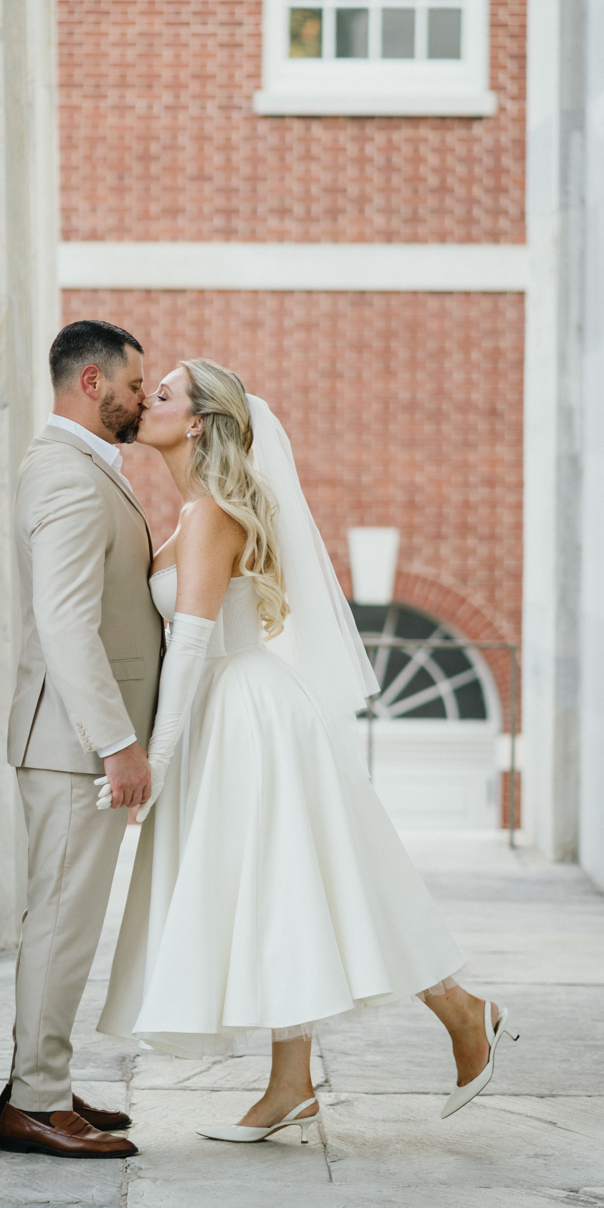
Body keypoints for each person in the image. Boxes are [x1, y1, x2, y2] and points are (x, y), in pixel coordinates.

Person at [98, 359, 520, 1141]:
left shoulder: (214, 513)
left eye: (160, 394)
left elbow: (191, 644)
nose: (143, 401)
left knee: (306, 884)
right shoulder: (197, 511)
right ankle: (293, 1085)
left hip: (243, 713)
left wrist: (151, 762)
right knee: (284, 890)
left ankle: (464, 1011)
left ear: (196, 423)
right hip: (231, 711)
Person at [0, 321, 165, 1159]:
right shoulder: (63, 475)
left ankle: (45, 1084)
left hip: (76, 745)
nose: (144, 396)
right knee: (61, 923)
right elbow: (65, 625)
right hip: (71, 745)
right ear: (92, 383)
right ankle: (33, 1103)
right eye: (137, 383)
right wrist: (117, 743)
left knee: (66, 923)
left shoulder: (87, 469)